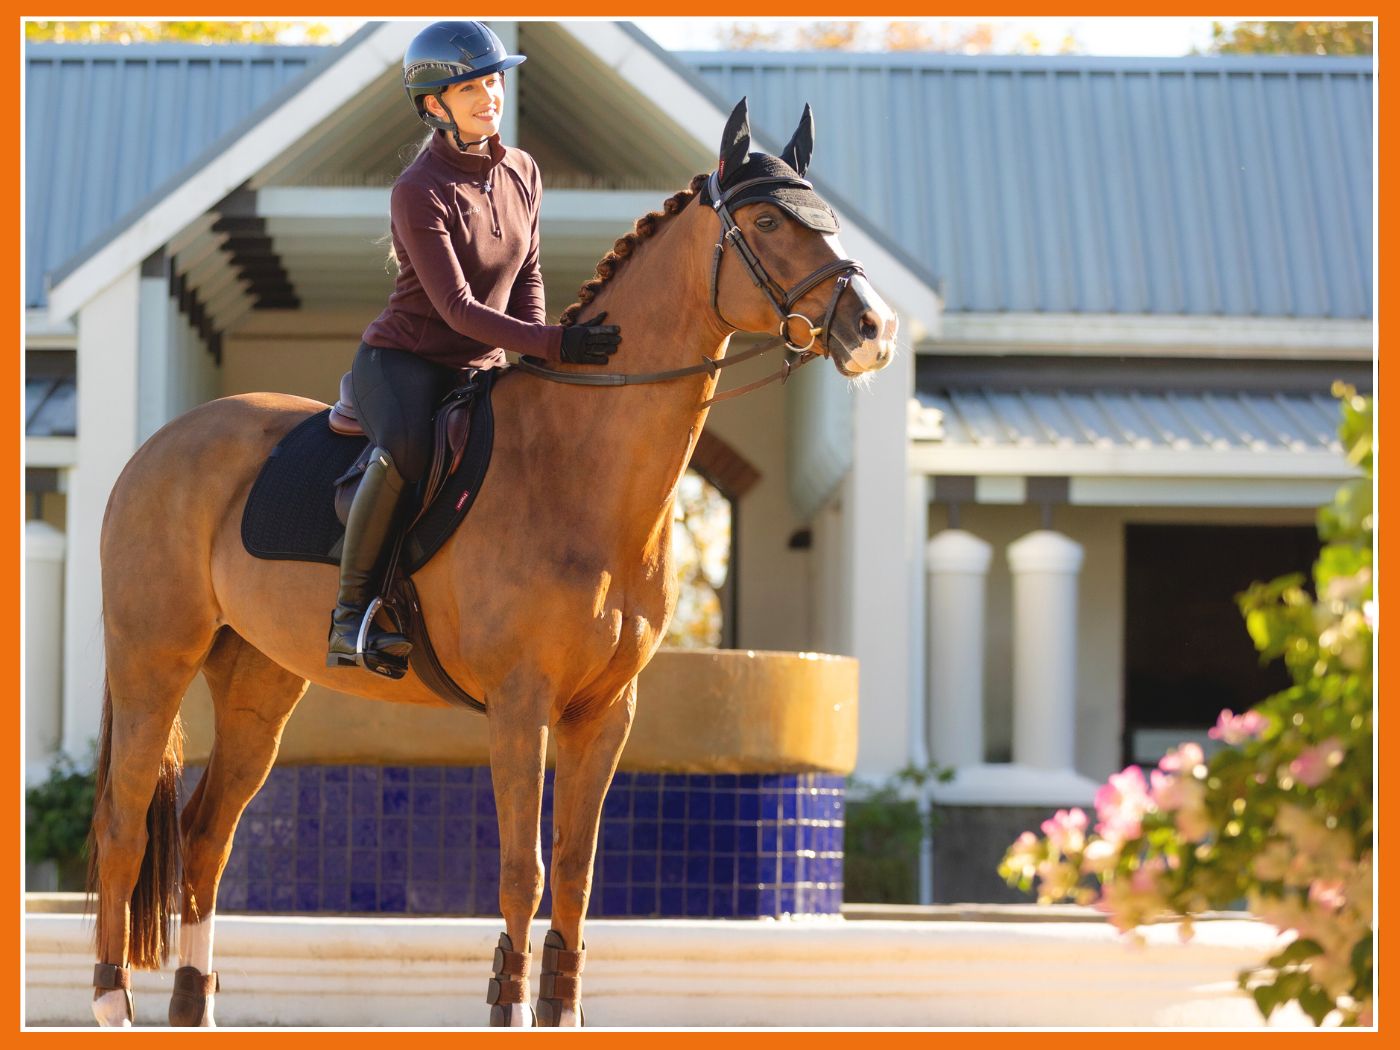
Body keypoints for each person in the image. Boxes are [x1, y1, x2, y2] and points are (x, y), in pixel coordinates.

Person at [328, 20, 622, 673]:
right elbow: (459, 311)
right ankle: (351, 617)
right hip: (404, 360)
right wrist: (558, 343)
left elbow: (531, 273)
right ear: (434, 106)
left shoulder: (523, 171)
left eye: (492, 80)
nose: (489, 96)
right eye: (469, 88)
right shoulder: (417, 189)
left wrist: (542, 354)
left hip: (482, 361)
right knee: (405, 449)